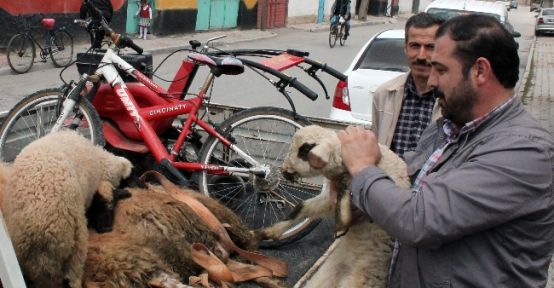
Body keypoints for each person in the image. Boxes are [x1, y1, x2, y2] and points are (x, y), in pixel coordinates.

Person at [338, 14, 554, 287]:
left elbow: (419, 221)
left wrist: (363, 169)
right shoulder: (449, 128)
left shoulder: (524, 151)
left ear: (480, 71)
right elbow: (406, 186)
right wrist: (366, 201)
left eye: (440, 70)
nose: (431, 82)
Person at [371, 12, 443, 159]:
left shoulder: (454, 100)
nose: (421, 56)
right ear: (405, 48)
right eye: (415, 46)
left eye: (430, 47)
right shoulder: (385, 94)